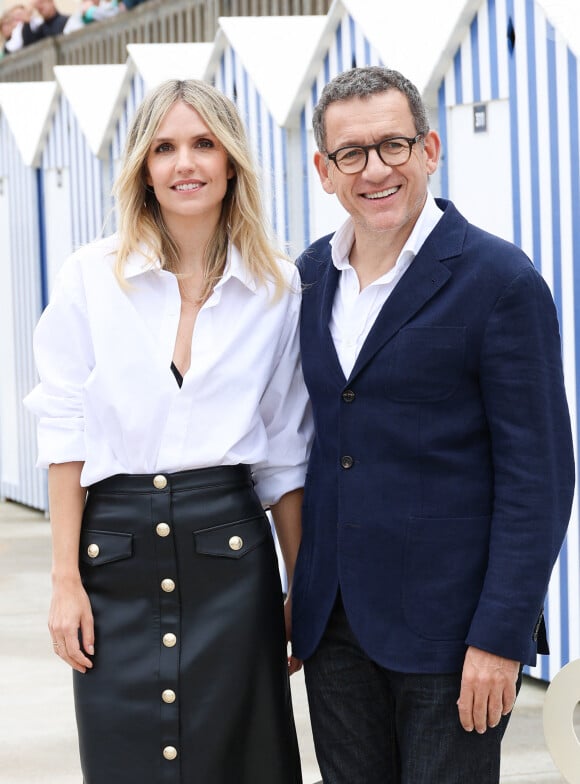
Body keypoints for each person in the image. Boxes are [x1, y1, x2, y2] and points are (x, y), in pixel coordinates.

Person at [291, 65, 575, 784]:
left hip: (454, 637)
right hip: (334, 629)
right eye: (351, 154)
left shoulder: (500, 281)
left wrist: (500, 640)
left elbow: (537, 480)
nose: (375, 169)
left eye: (393, 145)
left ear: (430, 148)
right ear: (325, 171)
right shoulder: (307, 280)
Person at [25, 78, 312, 784]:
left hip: (231, 554)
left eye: (204, 144)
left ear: (231, 161)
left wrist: (300, 582)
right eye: (165, 147)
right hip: (113, 555)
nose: (186, 163)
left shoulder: (277, 286)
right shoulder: (92, 276)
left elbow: (282, 451)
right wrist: (66, 580)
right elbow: (65, 431)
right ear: (143, 168)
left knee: (241, 761)